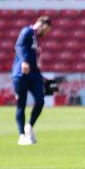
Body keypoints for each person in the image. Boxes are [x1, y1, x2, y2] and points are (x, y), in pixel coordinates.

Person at [12, 15, 52, 146]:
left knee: (40, 101)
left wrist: (41, 77)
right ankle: (21, 136)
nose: (46, 33)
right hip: (21, 74)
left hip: (33, 74)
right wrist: (23, 61)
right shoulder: (27, 31)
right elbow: (18, 45)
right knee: (21, 105)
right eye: (46, 30)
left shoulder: (36, 39)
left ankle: (29, 126)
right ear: (42, 24)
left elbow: (34, 59)